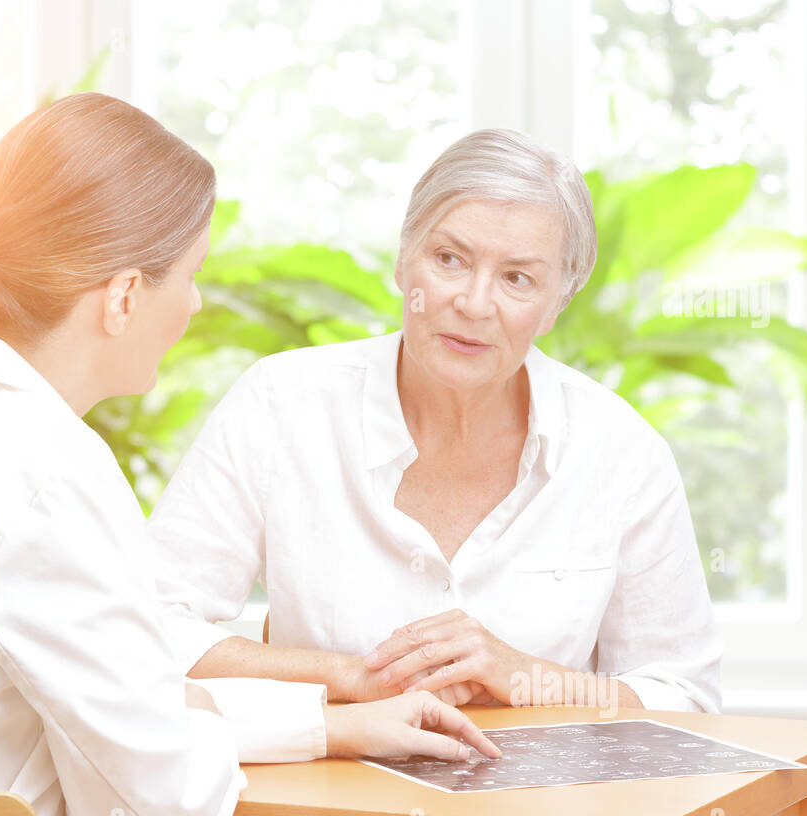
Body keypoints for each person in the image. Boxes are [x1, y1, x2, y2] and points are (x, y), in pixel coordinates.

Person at [0, 93, 498, 816]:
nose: (192, 305)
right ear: (124, 296)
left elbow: (123, 714)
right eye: (188, 277)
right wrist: (203, 722)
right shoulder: (42, 473)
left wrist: (324, 726)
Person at [146, 128, 722, 716]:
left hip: (544, 806)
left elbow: (684, 695)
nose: (474, 303)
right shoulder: (281, 405)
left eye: (517, 278)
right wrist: (351, 677)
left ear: (558, 304)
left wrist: (525, 678)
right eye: (449, 259)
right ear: (403, 261)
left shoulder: (620, 451)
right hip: (329, 800)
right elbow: (147, 628)